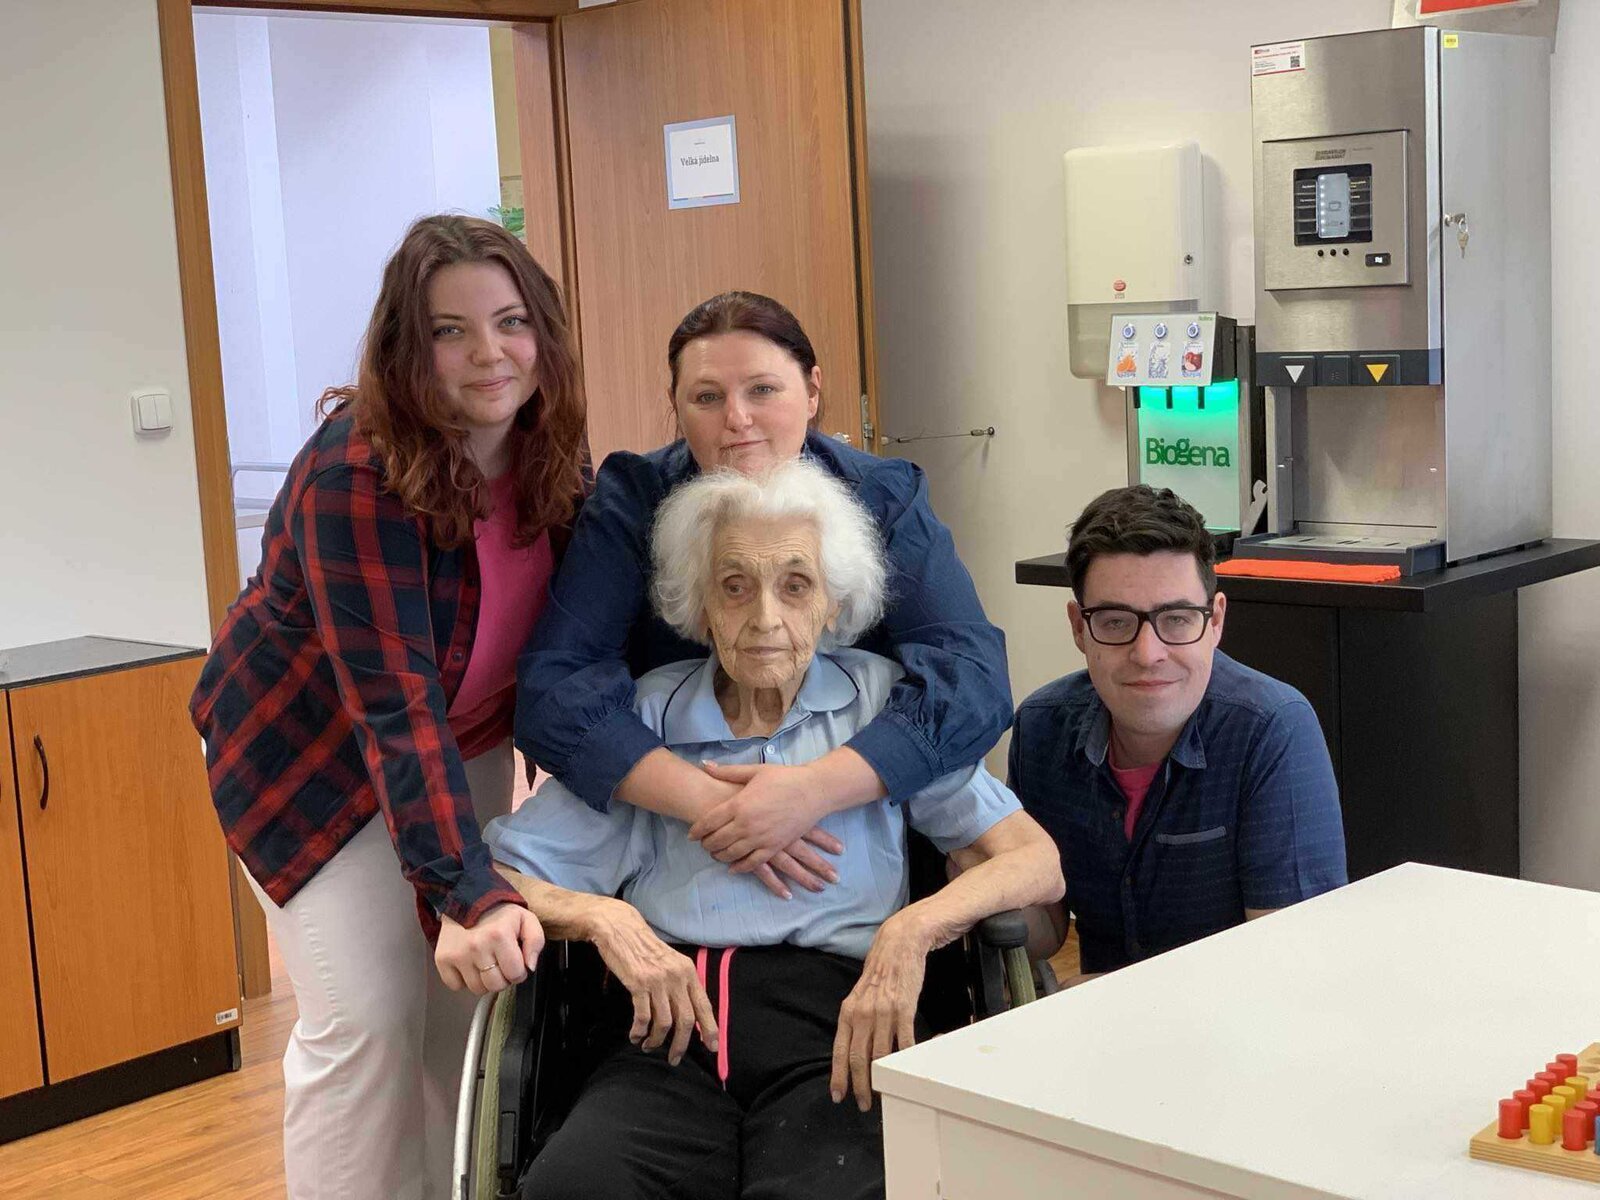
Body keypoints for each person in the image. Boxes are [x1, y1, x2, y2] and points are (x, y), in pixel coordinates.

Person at [485, 459, 1063, 1200]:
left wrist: (914, 929)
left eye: (796, 585)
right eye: (734, 586)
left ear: (833, 604)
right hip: (667, 1035)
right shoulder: (646, 719)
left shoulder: (881, 708)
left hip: (842, 1032)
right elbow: (499, 876)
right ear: (700, 606)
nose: (764, 618)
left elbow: (1035, 862)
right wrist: (603, 918)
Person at [189, 215, 588, 1200]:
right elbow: (393, 706)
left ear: (543, 331)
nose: (489, 353)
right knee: (367, 1024)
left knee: (470, 1013)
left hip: (463, 744)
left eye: (510, 321)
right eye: (452, 330)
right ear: (409, 347)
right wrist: (463, 888)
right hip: (309, 766)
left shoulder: (548, 449)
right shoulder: (356, 472)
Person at [516, 290, 1012, 902]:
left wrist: (811, 792)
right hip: (675, 830)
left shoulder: (884, 496)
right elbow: (556, 686)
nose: (737, 419)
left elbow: (969, 678)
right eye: (707, 397)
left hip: (861, 817)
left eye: (763, 390)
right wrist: (718, 805)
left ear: (813, 391)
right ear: (676, 407)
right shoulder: (632, 500)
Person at [1010, 485, 1347, 980]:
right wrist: (969, 839)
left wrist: (1102, 995)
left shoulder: (1271, 730)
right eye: (1115, 621)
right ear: (1079, 628)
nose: (1148, 653)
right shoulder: (1041, 728)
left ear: (1216, 621)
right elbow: (1044, 933)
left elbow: (1291, 966)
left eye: (1176, 619)